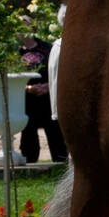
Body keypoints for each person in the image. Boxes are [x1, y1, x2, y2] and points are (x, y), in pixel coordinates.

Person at [19, 32, 67, 163]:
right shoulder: (17, 53)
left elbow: (57, 68)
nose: (22, 30)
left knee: (54, 131)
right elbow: (11, 77)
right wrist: (29, 88)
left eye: (25, 24)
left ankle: (60, 162)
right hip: (28, 100)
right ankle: (29, 163)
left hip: (47, 97)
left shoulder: (47, 48)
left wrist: (49, 86)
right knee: (28, 133)